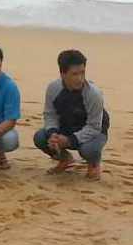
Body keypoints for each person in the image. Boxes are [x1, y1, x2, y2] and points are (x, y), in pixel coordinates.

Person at [33, 50, 109, 180]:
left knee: (89, 150)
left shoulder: (94, 94)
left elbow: (94, 127)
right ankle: (65, 159)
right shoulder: (53, 88)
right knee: (40, 137)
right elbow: (50, 114)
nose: (80, 78)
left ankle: (94, 164)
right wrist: (53, 134)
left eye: (82, 73)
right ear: (62, 74)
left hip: (94, 131)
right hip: (67, 126)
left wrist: (69, 140)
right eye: (74, 74)